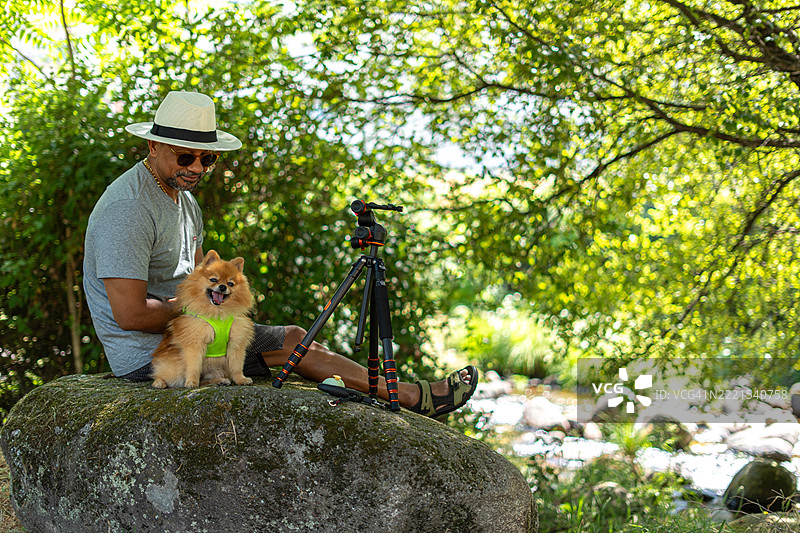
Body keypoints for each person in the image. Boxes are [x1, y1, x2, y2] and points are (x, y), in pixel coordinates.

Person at [83, 90, 478, 417]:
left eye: (208, 158)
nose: (198, 167)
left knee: (299, 342)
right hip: (150, 356)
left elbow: (202, 278)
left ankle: (401, 394)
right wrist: (203, 309)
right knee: (291, 343)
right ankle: (410, 397)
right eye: (185, 156)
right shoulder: (129, 208)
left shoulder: (183, 200)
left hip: (196, 332)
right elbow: (129, 314)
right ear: (153, 145)